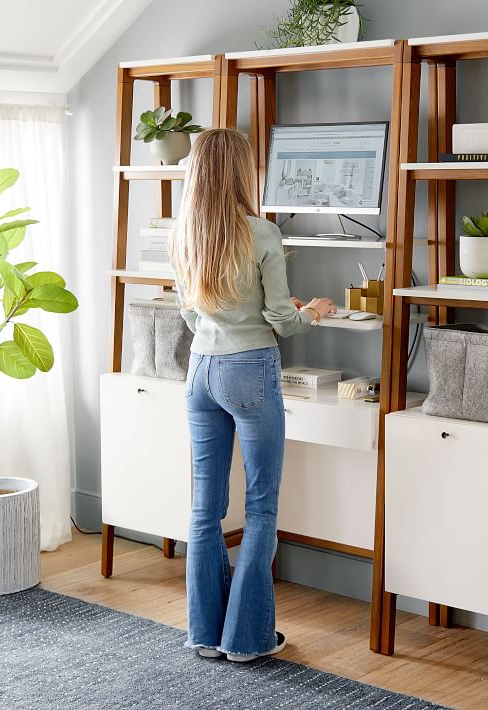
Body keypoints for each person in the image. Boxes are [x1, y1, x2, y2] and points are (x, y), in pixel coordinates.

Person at [170, 128, 336, 663]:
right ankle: (247, 640)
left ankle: (204, 634)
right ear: (243, 172)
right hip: (249, 369)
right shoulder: (262, 234)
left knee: (204, 509)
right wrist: (313, 312)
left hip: (201, 370)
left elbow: (190, 312)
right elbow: (283, 323)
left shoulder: (185, 233)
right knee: (260, 505)